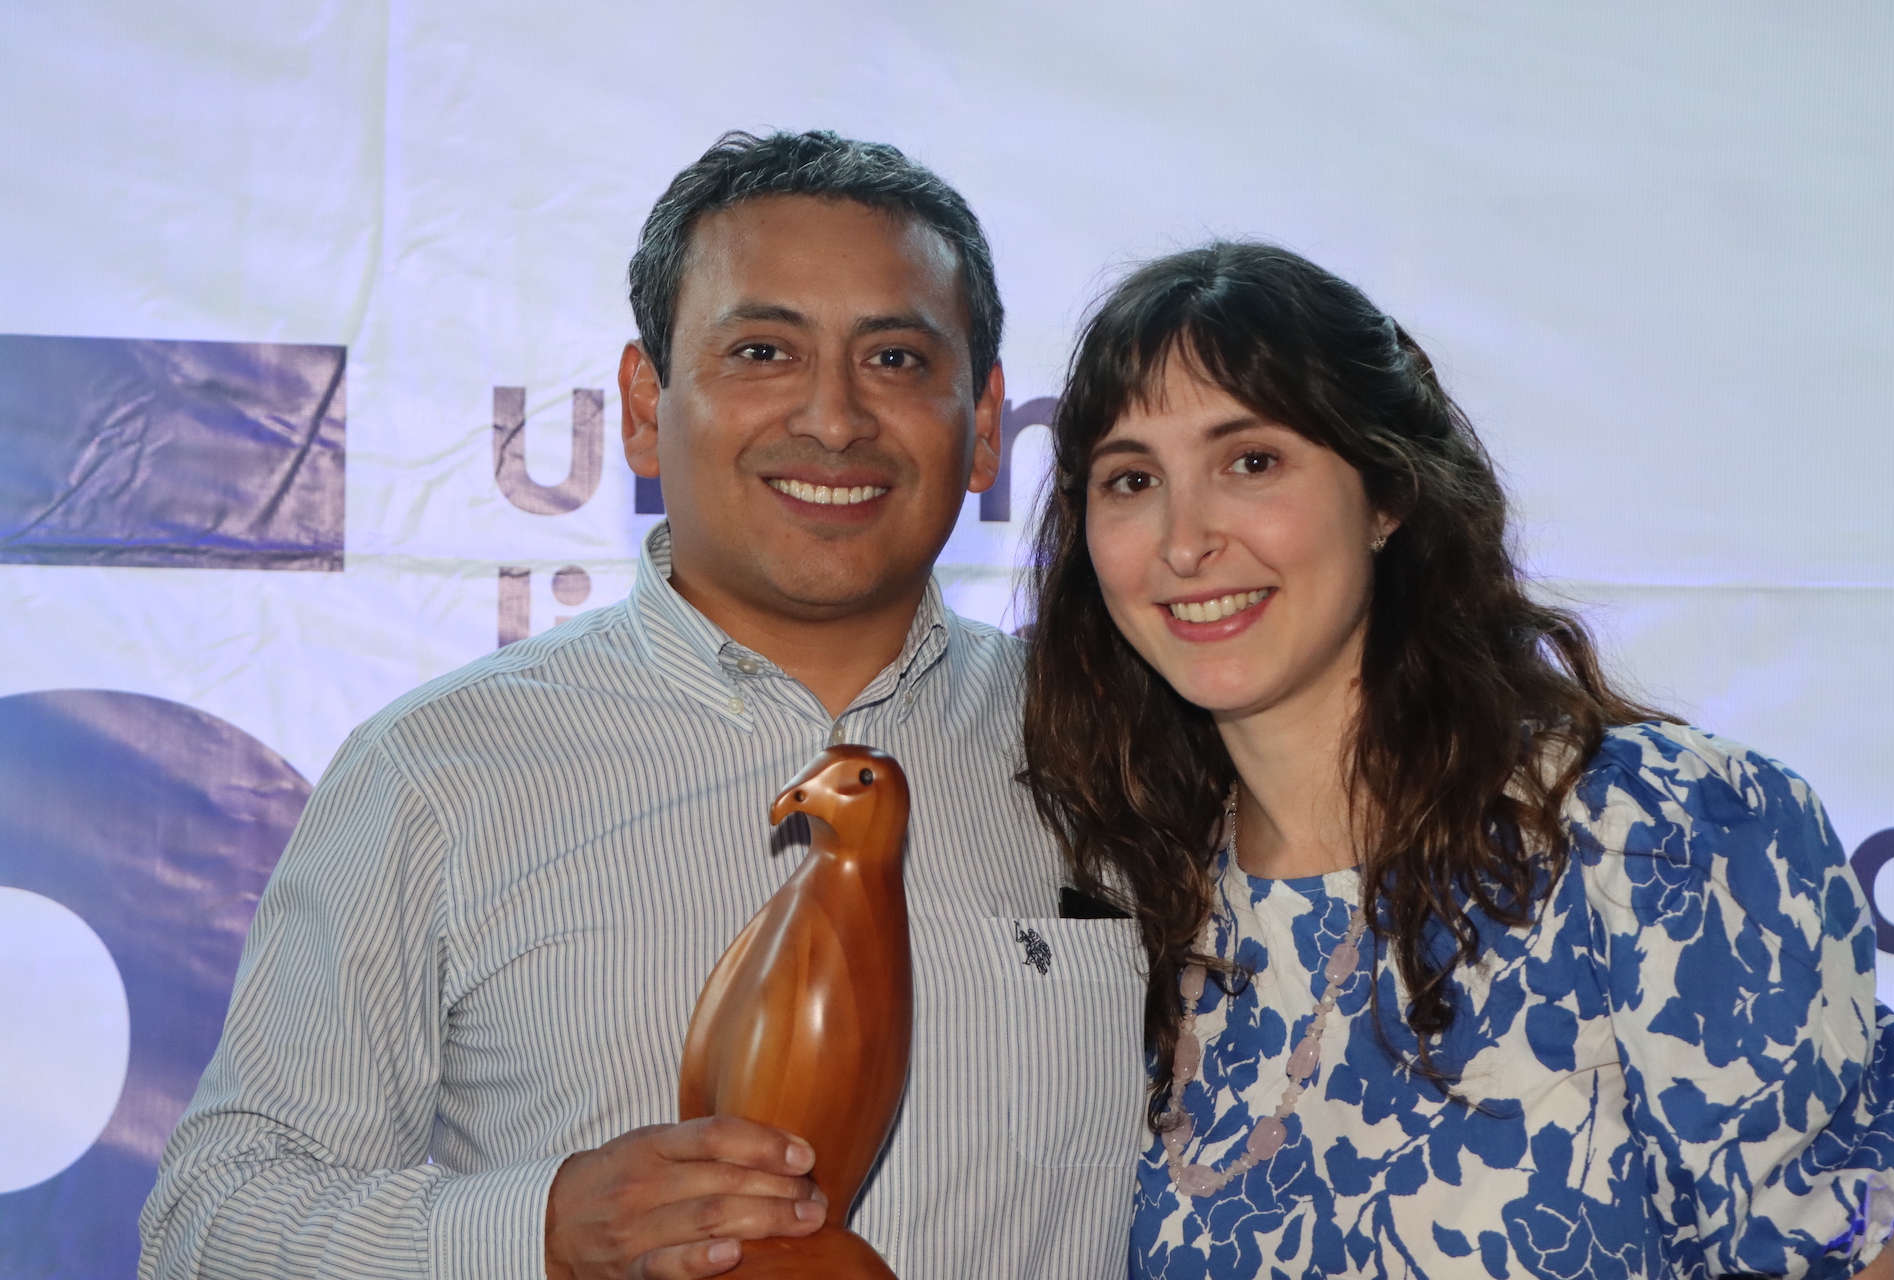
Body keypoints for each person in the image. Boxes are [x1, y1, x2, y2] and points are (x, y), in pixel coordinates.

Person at [139, 131, 1145, 1280]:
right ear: (640, 404)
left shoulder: (1123, 757)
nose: (833, 418)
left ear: (984, 424)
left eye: (896, 359)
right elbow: (207, 1228)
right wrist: (541, 1229)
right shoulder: (433, 772)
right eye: (762, 350)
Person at [1020, 240, 1894, 1279]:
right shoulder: (1139, 892)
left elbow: (1841, 1255)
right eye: (1132, 479)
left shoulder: (1656, 833)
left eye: (1251, 461)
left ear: (1388, 494)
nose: (1184, 542)